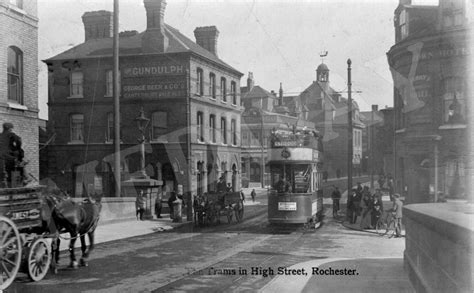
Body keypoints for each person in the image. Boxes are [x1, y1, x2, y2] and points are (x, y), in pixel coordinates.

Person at [0, 123, 25, 187]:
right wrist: (18, 148)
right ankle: (22, 180)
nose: (11, 130)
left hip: (3, 157)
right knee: (17, 166)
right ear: (9, 129)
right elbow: (19, 140)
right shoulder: (11, 135)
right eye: (11, 129)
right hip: (9, 158)